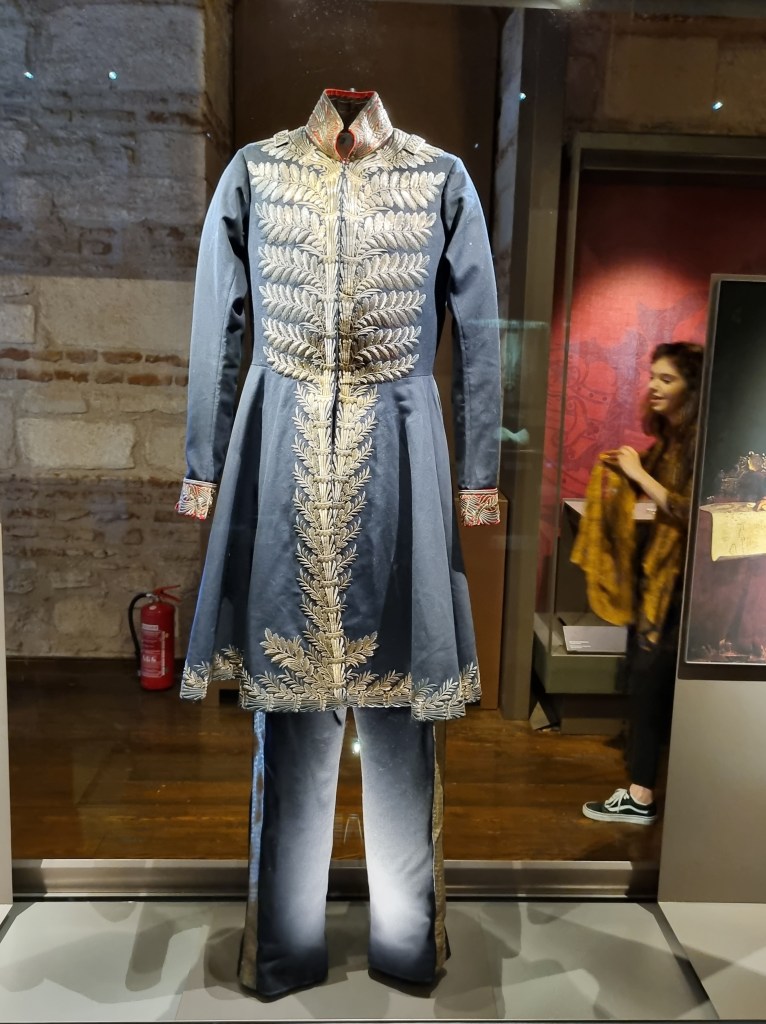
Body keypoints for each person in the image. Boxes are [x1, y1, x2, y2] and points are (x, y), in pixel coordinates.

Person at [572, 342, 704, 825]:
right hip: (663, 579)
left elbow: (692, 510)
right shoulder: (673, 440)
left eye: (667, 379)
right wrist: (628, 468)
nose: (653, 386)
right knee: (646, 680)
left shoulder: (700, 442)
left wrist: (636, 475)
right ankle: (647, 788)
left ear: (692, 388)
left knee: (650, 684)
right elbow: (656, 477)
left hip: (685, 586)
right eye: (653, 376)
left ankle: (641, 796)